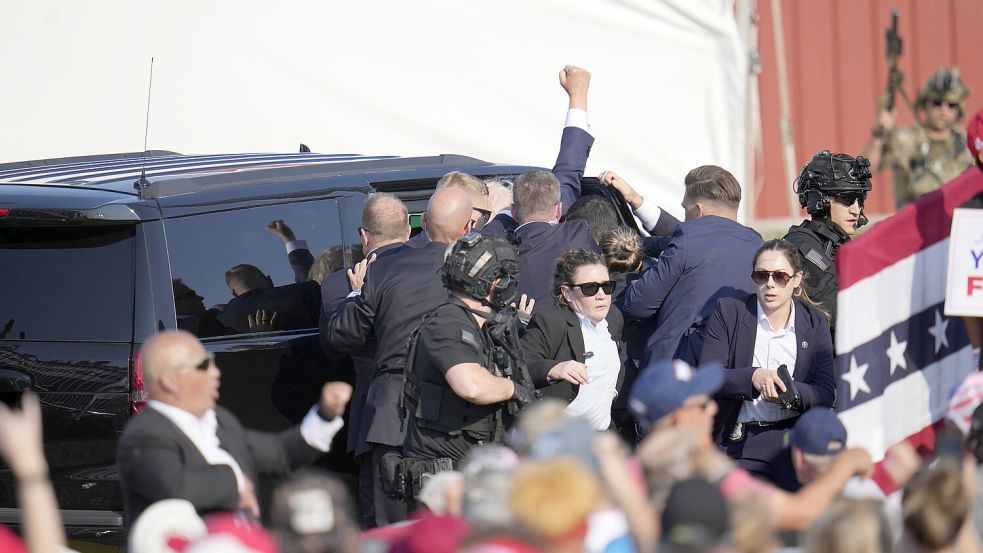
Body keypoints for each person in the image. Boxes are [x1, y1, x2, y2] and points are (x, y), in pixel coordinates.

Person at [323, 186, 474, 527]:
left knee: (391, 526)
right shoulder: (472, 274)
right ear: (409, 230)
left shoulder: (370, 275)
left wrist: (356, 293)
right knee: (452, 524)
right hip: (454, 415)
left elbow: (339, 339)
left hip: (388, 417)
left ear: (363, 234)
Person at [116, 330, 351, 523]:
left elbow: (280, 453)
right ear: (170, 380)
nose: (216, 372)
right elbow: (175, 488)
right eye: (203, 366)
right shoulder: (145, 435)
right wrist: (236, 483)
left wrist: (325, 415)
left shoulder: (219, 421)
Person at [628, 358, 874, 532]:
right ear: (680, 419)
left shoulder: (626, 475)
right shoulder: (709, 475)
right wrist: (848, 461)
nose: (713, 408)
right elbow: (801, 513)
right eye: (703, 404)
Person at [698, 239, 835, 488]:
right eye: (761, 275)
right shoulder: (730, 312)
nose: (770, 283)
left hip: (794, 441)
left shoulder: (814, 322)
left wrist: (791, 392)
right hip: (740, 440)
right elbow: (708, 375)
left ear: (796, 280)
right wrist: (753, 377)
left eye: (780, 276)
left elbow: (826, 391)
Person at [401, 233, 534, 470]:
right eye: (502, 277)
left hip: (477, 464)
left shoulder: (486, 324)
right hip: (446, 474)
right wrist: (512, 389)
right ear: (488, 283)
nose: (507, 283)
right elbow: (471, 385)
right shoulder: (447, 323)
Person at [615, 165, 763, 367]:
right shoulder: (758, 244)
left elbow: (638, 304)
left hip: (678, 372)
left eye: (685, 209)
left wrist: (645, 268)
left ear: (699, 211)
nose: (684, 217)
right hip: (738, 370)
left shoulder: (688, 238)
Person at [483, 65, 595, 239]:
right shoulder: (570, 247)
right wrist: (578, 96)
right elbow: (569, 168)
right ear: (557, 210)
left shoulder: (472, 254)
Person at [520, 249, 627, 431]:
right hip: (557, 438)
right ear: (567, 293)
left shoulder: (613, 317)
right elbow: (519, 366)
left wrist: (612, 390)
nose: (601, 295)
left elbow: (619, 356)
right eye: (590, 288)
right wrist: (554, 369)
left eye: (607, 286)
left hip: (599, 436)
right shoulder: (552, 322)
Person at [864, 66, 974, 209]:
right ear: (925, 104)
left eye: (951, 105)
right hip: (912, 224)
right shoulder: (905, 140)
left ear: (959, 109)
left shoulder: (969, 144)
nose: (943, 110)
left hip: (955, 224)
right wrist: (878, 134)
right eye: (937, 103)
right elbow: (866, 171)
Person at [783, 150, 872, 325]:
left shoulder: (837, 246)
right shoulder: (802, 247)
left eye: (860, 200)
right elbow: (840, 310)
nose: (856, 209)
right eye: (847, 198)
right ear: (820, 199)